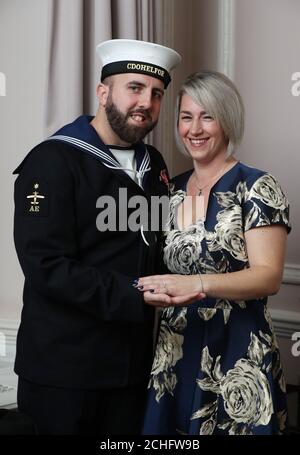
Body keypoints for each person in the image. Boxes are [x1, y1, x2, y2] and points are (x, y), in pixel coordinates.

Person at [13, 39, 189, 435]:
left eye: (157, 93)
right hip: (64, 370)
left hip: (133, 366)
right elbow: (47, 267)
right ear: (103, 92)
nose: (146, 101)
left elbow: (154, 246)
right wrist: (135, 292)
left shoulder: (154, 164)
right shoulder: (52, 161)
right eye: (134, 88)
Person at [137, 71, 291, 435]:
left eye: (208, 116)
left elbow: (268, 276)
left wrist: (198, 283)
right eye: (186, 117)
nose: (195, 128)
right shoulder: (168, 191)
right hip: (175, 353)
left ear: (228, 120)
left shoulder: (256, 185)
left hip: (239, 356)